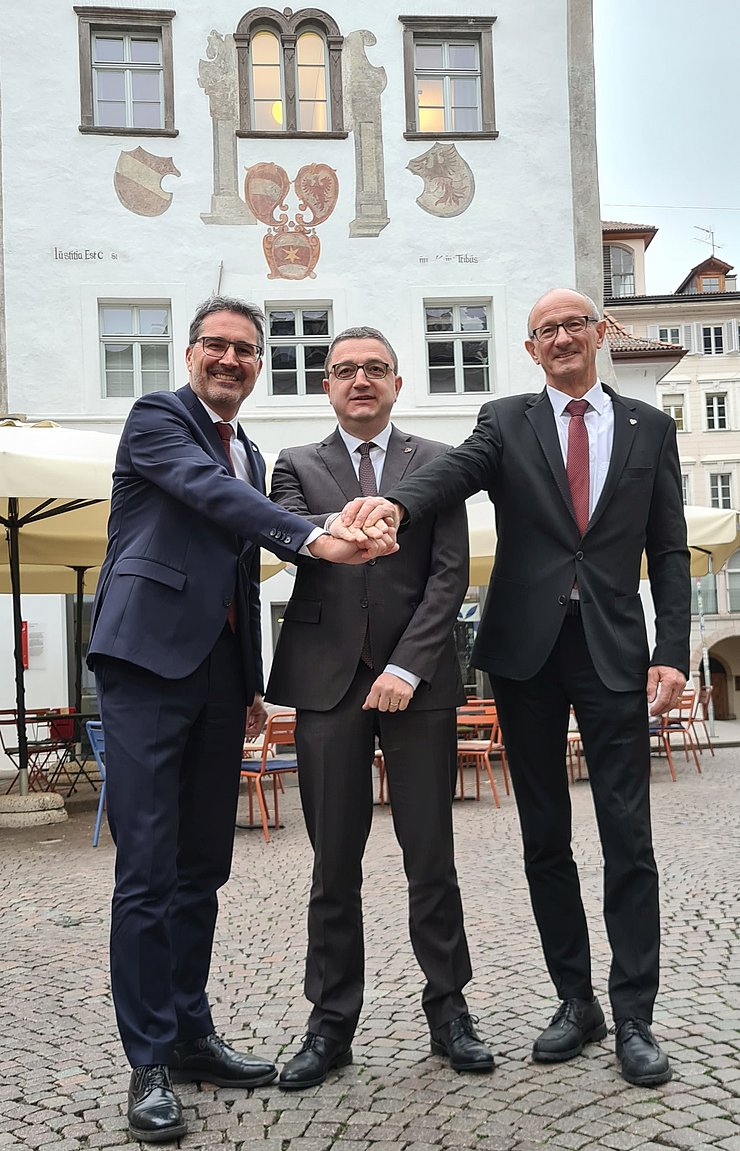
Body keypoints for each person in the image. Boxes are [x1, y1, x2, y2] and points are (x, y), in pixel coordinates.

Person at [341, 290, 691, 1088]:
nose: (563, 338)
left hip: (612, 652)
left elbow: (668, 550)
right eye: (546, 331)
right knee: (545, 838)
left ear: (599, 335)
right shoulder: (505, 421)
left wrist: (671, 649)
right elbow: (450, 476)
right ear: (531, 350)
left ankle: (634, 1012)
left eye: (575, 325)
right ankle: (576, 1000)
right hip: (526, 654)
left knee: (627, 835)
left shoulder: (651, 428)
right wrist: (392, 502)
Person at [87, 297, 395, 1143]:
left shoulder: (249, 449)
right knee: (147, 869)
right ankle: (147, 1059)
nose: (231, 360)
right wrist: (315, 535)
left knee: (202, 867)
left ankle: (189, 1034)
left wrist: (249, 678)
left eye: (246, 351)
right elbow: (208, 498)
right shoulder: (159, 419)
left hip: (219, 677)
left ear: (260, 366)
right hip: (145, 665)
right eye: (217, 346)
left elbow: (231, 562)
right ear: (190, 354)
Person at [266, 325, 494, 1089]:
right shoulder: (293, 465)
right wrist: (341, 531)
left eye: (375, 369)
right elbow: (294, 542)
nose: (360, 380)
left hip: (415, 683)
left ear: (398, 382)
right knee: (335, 863)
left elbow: (449, 575)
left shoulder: (436, 465)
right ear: (326, 386)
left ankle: (449, 1009)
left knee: (432, 855)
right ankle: (330, 1023)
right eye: (344, 370)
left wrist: (405, 664)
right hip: (326, 685)